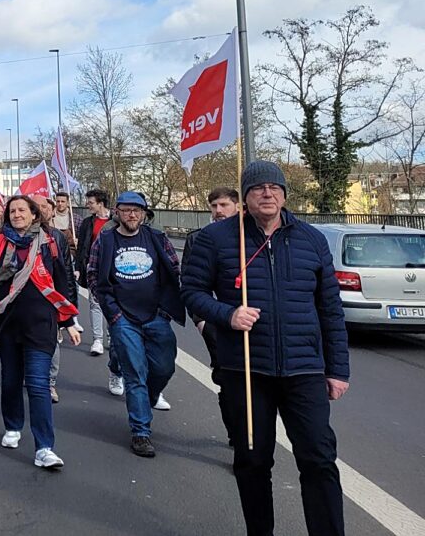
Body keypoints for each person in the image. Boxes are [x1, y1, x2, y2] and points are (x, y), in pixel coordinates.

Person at [182, 162, 349, 536]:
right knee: (253, 462)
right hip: (245, 369)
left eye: (275, 187)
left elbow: (330, 308)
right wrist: (228, 314)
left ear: (285, 194)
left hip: (304, 370)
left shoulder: (311, 240)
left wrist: (338, 369)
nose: (268, 193)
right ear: (245, 196)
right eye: (258, 188)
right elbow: (191, 291)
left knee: (319, 460)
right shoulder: (217, 239)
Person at [0, 195, 79, 469]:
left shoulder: (49, 243)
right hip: (7, 325)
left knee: (38, 384)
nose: (17, 214)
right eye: (12, 211)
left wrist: (69, 322)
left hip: (41, 325)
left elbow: (62, 284)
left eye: (22, 210)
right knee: (11, 380)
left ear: (34, 214)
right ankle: (12, 426)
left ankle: (44, 447)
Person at [88, 190, 184, 457]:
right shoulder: (105, 240)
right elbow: (93, 275)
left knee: (164, 367)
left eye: (136, 210)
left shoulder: (157, 238)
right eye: (126, 210)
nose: (132, 215)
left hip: (156, 316)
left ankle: (149, 397)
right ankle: (141, 432)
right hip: (123, 319)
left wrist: (165, 310)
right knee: (135, 374)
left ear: (143, 214)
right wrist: (113, 313)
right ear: (117, 212)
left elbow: (174, 271)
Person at [183, 186, 240, 446]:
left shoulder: (249, 237)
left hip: (249, 319)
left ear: (237, 206)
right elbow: (191, 284)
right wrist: (200, 320)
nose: (218, 211)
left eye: (224, 205)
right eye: (214, 206)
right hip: (215, 321)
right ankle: (236, 434)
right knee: (227, 376)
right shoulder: (198, 239)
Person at [30, 194, 76, 404]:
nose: (42, 210)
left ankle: (49, 382)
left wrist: (69, 310)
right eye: (37, 206)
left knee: (52, 342)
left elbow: (65, 274)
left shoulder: (57, 237)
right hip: (23, 303)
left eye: (45, 206)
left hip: (50, 301)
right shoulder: (15, 236)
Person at [75, 189, 113, 359]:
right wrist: (78, 267)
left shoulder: (116, 220)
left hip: (113, 267)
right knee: (95, 302)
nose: (88, 205)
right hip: (94, 267)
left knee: (113, 302)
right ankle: (97, 339)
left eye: (91, 202)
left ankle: (112, 336)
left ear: (100, 203)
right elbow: (82, 246)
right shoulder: (87, 223)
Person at [52, 192, 83, 332]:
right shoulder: (52, 218)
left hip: (70, 256)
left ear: (67, 202)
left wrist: (77, 242)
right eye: (58, 201)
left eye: (63, 201)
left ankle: (73, 316)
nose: (60, 204)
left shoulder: (75, 219)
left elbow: (82, 238)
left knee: (73, 286)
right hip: (55, 256)